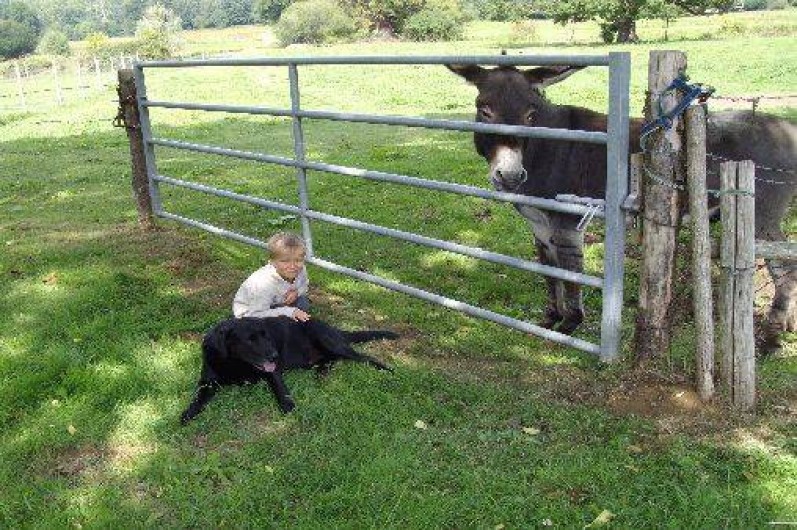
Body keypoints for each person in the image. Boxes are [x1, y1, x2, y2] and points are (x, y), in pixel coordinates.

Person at [232, 232, 310, 321]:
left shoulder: (301, 269)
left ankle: (289, 321)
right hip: (251, 313)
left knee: (303, 302)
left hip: (277, 302)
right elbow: (254, 314)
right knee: (284, 320)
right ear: (272, 262)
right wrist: (288, 311)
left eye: (298, 260)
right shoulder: (263, 284)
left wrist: (297, 293)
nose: (292, 266)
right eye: (285, 261)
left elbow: (304, 285)